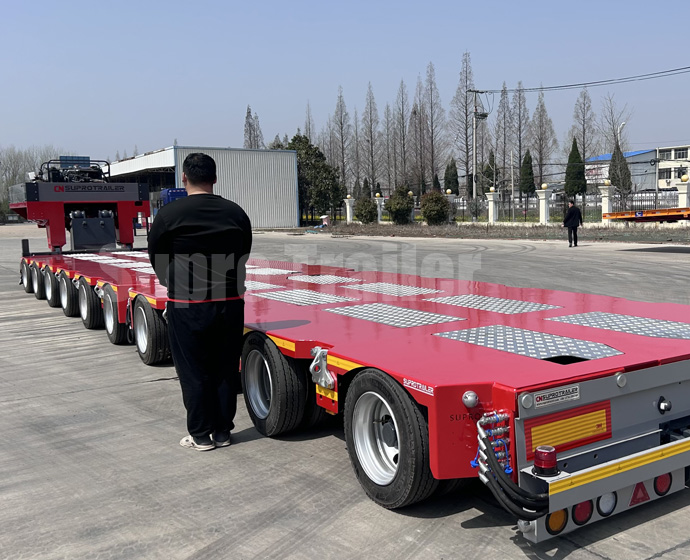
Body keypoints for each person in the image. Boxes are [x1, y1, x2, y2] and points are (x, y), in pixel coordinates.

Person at [148, 153, 252, 451]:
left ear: (184, 177)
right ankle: (222, 432)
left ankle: (201, 435)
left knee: (193, 370)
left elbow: (156, 254)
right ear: (214, 178)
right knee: (225, 368)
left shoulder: (169, 214)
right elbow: (243, 252)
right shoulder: (235, 213)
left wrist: (173, 282)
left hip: (187, 303)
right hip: (229, 301)